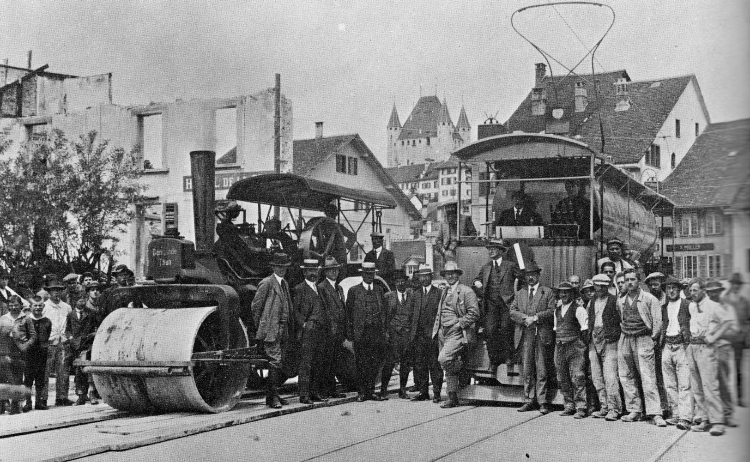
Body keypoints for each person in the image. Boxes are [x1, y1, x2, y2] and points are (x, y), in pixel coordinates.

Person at [686, 278, 736, 436]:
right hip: (693, 347)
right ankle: (704, 419)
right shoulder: (693, 307)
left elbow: (728, 321)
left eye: (695, 290)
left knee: (710, 385)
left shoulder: (714, 305)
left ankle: (718, 422)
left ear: (703, 290)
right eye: (690, 290)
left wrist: (714, 337)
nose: (692, 293)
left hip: (706, 348)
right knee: (697, 387)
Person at [617, 268, 665, 426]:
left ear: (638, 281)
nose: (629, 282)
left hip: (643, 338)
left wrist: (652, 338)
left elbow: (658, 322)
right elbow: (621, 318)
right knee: (626, 375)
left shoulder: (649, 299)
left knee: (648, 376)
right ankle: (634, 410)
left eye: (633, 279)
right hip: (626, 338)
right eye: (627, 280)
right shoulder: (621, 300)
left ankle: (655, 413)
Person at [509, 261, 556, 415]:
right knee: (527, 368)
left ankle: (542, 402)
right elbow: (512, 311)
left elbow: (551, 310)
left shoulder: (547, 292)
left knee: (541, 368)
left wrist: (535, 317)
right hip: (525, 335)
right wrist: (524, 318)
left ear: (538, 275)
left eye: (533, 275)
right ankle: (529, 399)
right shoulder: (520, 293)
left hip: (541, 334)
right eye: (528, 275)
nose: (530, 278)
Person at [251, 253, 295, 409]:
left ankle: (272, 396)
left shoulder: (285, 284)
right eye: (279, 267)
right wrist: (263, 326)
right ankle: (274, 397)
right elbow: (256, 307)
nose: (282, 270)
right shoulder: (267, 283)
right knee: (275, 360)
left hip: (283, 329)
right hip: (271, 329)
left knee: (279, 361)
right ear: (274, 267)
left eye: (284, 267)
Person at [434, 261, 480, 409]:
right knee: (447, 367)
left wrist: (458, 324)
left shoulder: (466, 291)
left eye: (453, 273)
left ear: (458, 275)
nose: (450, 276)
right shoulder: (444, 291)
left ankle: (460, 367)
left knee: (443, 358)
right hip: (443, 332)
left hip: (457, 332)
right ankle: (452, 397)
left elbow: (474, 313)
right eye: (448, 274)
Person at [473, 239, 519, 370]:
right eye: (489, 249)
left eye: (493, 248)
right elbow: (476, 279)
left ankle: (509, 357)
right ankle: (494, 360)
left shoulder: (510, 265)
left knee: (506, 329)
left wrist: (516, 297)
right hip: (491, 304)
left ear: (500, 251)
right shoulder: (486, 267)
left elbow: (521, 279)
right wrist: (477, 283)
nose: (490, 251)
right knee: (490, 331)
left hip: (506, 304)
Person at [346, 262, 388, 402]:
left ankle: (371, 391)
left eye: (371, 273)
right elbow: (349, 314)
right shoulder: (354, 291)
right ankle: (362, 392)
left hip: (376, 332)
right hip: (361, 333)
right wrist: (350, 334)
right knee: (361, 363)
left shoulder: (379, 290)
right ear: (362, 274)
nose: (369, 276)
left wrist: (384, 331)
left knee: (374, 363)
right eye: (366, 273)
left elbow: (384, 312)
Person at [587, 274, 622, 421]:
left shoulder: (615, 301)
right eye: (597, 285)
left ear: (608, 286)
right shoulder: (592, 301)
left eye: (603, 286)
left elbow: (621, 320)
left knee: (610, 376)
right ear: (594, 286)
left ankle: (615, 408)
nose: (600, 288)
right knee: (596, 376)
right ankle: (604, 406)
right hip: (594, 340)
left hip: (610, 341)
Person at [704, 279, 739, 428]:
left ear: (720, 291)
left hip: (722, 347)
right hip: (707, 348)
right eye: (709, 292)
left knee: (723, 381)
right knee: (709, 383)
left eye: (715, 291)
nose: (712, 294)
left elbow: (734, 330)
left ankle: (727, 413)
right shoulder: (706, 306)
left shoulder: (727, 307)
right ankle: (710, 415)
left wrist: (717, 334)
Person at [660, 276, 693, 429]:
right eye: (668, 288)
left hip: (682, 346)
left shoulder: (687, 305)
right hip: (667, 345)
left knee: (685, 384)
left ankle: (686, 417)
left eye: (674, 287)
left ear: (679, 289)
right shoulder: (664, 307)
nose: (671, 290)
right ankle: (676, 414)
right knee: (669, 383)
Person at [294, 259, 329, 404]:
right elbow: (294, 311)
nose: (313, 273)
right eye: (310, 270)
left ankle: (315, 392)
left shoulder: (320, 289)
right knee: (306, 364)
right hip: (308, 332)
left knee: (317, 362)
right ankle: (304, 395)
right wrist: (303, 324)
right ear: (304, 272)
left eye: (315, 270)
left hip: (320, 331)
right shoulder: (299, 289)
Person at [552, 281, 589, 418]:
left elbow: (584, 330)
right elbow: (556, 329)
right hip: (560, 346)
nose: (564, 294)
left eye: (567, 292)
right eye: (561, 292)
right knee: (562, 377)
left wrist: (581, 347)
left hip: (575, 346)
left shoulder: (579, 309)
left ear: (572, 293)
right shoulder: (557, 310)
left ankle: (581, 407)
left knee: (577, 377)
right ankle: (569, 405)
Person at [409, 264, 444, 403]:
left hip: (433, 336)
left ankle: (436, 393)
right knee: (420, 365)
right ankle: (423, 392)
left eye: (426, 276)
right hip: (419, 337)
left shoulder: (439, 293)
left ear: (431, 277)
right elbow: (411, 315)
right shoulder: (415, 294)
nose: (424, 279)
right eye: (421, 276)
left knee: (435, 366)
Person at [316, 257, 349, 398]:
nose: (334, 272)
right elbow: (325, 310)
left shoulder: (339, 288)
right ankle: (326, 390)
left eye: (336, 269)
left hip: (339, 331)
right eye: (331, 270)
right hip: (329, 331)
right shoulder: (322, 287)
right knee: (327, 361)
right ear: (325, 272)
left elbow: (342, 308)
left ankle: (332, 390)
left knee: (334, 361)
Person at [380, 270, 413, 399]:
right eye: (397, 281)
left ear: (406, 281)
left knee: (405, 363)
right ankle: (383, 389)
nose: (400, 283)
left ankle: (403, 389)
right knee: (389, 363)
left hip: (407, 334)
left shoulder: (412, 296)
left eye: (402, 281)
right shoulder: (388, 296)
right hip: (393, 334)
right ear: (394, 283)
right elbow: (384, 316)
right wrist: (386, 332)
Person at [0, 295, 36, 414]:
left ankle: (15, 406)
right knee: (5, 378)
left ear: (20, 305)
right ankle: (4, 404)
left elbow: (33, 336)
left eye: (16, 305)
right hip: (5, 351)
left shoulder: (26, 318)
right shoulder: (3, 319)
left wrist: (26, 346)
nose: (14, 307)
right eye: (11, 305)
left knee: (17, 378)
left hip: (20, 352)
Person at [41, 277, 73, 407]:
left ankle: (62, 397)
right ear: (49, 292)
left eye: (59, 290)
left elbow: (70, 324)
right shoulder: (44, 307)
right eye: (54, 290)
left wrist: (69, 337)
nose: (56, 293)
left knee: (63, 370)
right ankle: (42, 398)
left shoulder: (66, 307)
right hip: (49, 342)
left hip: (63, 341)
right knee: (45, 371)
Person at [722, 272, 749, 407]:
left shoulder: (744, 302)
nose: (736, 286)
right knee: (725, 369)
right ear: (730, 285)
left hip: (739, 340)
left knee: (738, 370)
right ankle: (727, 399)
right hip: (726, 339)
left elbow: (748, 321)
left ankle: (739, 398)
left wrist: (745, 335)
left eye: (738, 284)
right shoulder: (724, 299)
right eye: (733, 284)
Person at [22, 296, 51, 412]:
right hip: (29, 354)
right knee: (28, 379)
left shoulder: (47, 321)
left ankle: (39, 402)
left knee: (40, 378)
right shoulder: (26, 321)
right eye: (35, 305)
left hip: (42, 353)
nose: (38, 308)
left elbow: (47, 336)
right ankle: (28, 403)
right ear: (30, 307)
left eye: (40, 305)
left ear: (43, 306)